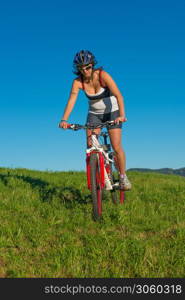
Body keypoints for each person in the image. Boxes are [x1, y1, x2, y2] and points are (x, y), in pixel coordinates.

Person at [59, 50, 131, 190]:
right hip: (94, 114)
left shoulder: (103, 75)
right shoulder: (78, 82)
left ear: (92, 65)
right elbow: (71, 101)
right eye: (81, 68)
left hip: (113, 113)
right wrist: (64, 119)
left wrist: (122, 115)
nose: (85, 71)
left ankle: (123, 177)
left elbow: (119, 96)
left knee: (116, 147)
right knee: (90, 146)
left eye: (88, 67)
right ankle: (98, 177)